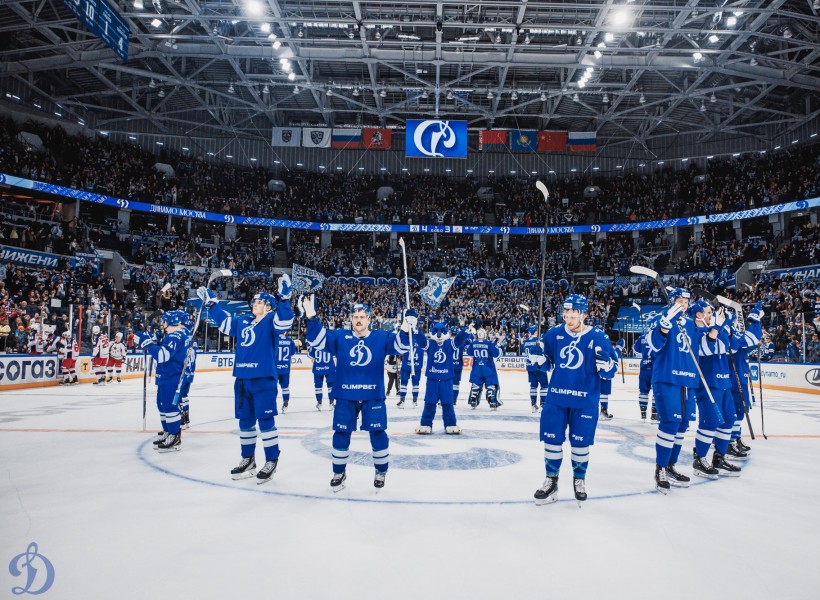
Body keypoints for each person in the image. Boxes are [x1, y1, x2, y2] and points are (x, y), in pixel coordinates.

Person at [301, 295, 410, 491]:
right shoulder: (340, 337)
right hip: (345, 395)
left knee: (378, 433)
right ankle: (339, 472)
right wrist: (311, 317)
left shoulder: (381, 337)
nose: (358, 319)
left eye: (362, 316)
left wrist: (405, 327)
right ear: (350, 319)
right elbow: (316, 340)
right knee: (341, 433)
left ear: (369, 319)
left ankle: (380, 470)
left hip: (373, 395)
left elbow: (401, 346)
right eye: (355, 316)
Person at [198, 275, 295, 484]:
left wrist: (285, 299)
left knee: (266, 421)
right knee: (245, 422)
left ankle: (271, 460)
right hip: (241, 378)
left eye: (260, 301)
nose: (255, 303)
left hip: (264, 379)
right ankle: (248, 458)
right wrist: (212, 303)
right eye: (254, 300)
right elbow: (224, 323)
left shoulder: (271, 320)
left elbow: (285, 321)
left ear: (269, 307)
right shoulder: (242, 320)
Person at [533, 294, 618, 506]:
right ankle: (551, 480)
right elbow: (548, 363)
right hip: (557, 399)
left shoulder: (599, 337)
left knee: (580, 445)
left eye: (573, 316)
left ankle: (579, 480)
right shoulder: (553, 334)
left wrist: (607, 366)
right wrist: (539, 361)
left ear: (584, 315)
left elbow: (611, 370)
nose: (568, 320)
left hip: (585, 400)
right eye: (566, 315)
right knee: (552, 441)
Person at [644, 288, 701, 493]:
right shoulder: (661, 317)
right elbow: (650, 346)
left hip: (688, 380)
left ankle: (670, 466)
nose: (684, 303)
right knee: (670, 423)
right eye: (680, 300)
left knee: (683, 425)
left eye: (686, 300)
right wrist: (663, 329)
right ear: (673, 301)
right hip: (667, 378)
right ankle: (660, 468)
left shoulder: (690, 323)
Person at [687, 300, 741, 478]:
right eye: (709, 313)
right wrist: (716, 329)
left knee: (728, 420)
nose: (713, 316)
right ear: (699, 315)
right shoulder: (694, 332)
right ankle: (700, 459)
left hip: (724, 383)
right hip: (708, 384)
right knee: (709, 422)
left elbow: (731, 346)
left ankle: (719, 457)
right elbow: (706, 348)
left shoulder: (716, 330)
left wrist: (725, 326)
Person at [134, 310, 192, 452]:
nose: (162, 323)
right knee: (162, 404)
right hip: (168, 374)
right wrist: (155, 341)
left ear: (169, 322)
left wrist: (147, 343)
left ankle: (174, 436)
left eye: (164, 320)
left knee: (169, 405)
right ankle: (168, 432)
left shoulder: (175, 336)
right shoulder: (179, 334)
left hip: (172, 375)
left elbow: (162, 356)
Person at [414, 320, 472, 435]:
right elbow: (422, 342)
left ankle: (450, 424)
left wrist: (465, 332)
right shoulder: (430, 343)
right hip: (432, 379)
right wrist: (417, 332)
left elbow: (458, 341)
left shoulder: (449, 344)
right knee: (430, 403)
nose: (439, 334)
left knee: (447, 403)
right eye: (436, 331)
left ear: (446, 331)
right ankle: (426, 424)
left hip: (446, 379)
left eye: (442, 331)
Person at [725, 302, 763, 458]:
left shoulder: (735, 333)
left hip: (739, 377)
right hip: (731, 379)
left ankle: (735, 438)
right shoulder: (726, 332)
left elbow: (749, 343)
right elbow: (750, 339)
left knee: (741, 409)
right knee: (733, 412)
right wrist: (755, 321)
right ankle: (728, 441)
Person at [465, 327, 502, 409]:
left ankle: (473, 400)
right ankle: (492, 401)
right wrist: (497, 345)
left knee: (476, 383)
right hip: (488, 367)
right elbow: (496, 354)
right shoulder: (488, 343)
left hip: (477, 367)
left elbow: (469, 353)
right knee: (490, 383)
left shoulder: (473, 343)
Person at [521, 325, 549, 413]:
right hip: (539, 366)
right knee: (544, 385)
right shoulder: (539, 341)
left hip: (530, 366)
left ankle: (533, 405)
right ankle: (543, 405)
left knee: (533, 386)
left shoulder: (525, 342)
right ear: (536, 332)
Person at [598, 338, 625, 419]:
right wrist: (619, 347)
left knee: (593, 392)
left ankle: (587, 410)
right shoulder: (606, 345)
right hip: (605, 371)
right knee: (604, 392)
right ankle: (603, 410)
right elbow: (615, 355)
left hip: (593, 373)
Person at [179, 317, 198, 429]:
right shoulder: (193, 339)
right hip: (190, 373)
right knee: (185, 396)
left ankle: (181, 420)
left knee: (179, 397)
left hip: (182, 373)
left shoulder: (182, 337)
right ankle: (186, 420)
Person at [633, 332, 657, 421]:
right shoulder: (659, 335)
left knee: (643, 391)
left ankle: (643, 413)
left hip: (644, 367)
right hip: (657, 368)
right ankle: (655, 414)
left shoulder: (642, 337)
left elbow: (636, 350)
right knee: (656, 392)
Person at [397, 330, 424, 408]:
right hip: (417, 366)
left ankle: (402, 400)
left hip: (406, 365)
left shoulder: (406, 340)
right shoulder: (421, 341)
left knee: (403, 384)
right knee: (415, 384)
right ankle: (414, 401)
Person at [276, 332, 299, 413]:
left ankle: (271, 404)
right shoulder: (290, 340)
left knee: (272, 387)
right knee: (285, 387)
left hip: (274, 368)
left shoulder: (275, 339)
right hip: (285, 368)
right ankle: (285, 402)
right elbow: (292, 353)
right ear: (285, 332)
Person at [308, 343, 336, 410]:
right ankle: (331, 402)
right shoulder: (331, 343)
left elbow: (311, 355)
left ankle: (319, 402)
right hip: (329, 367)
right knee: (330, 386)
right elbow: (335, 354)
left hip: (318, 368)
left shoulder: (314, 343)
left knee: (318, 387)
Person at [450, 326, 466, 404]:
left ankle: (445, 398)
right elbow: (469, 339)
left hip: (449, 366)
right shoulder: (461, 342)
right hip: (458, 366)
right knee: (456, 384)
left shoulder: (448, 342)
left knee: (446, 383)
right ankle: (454, 399)